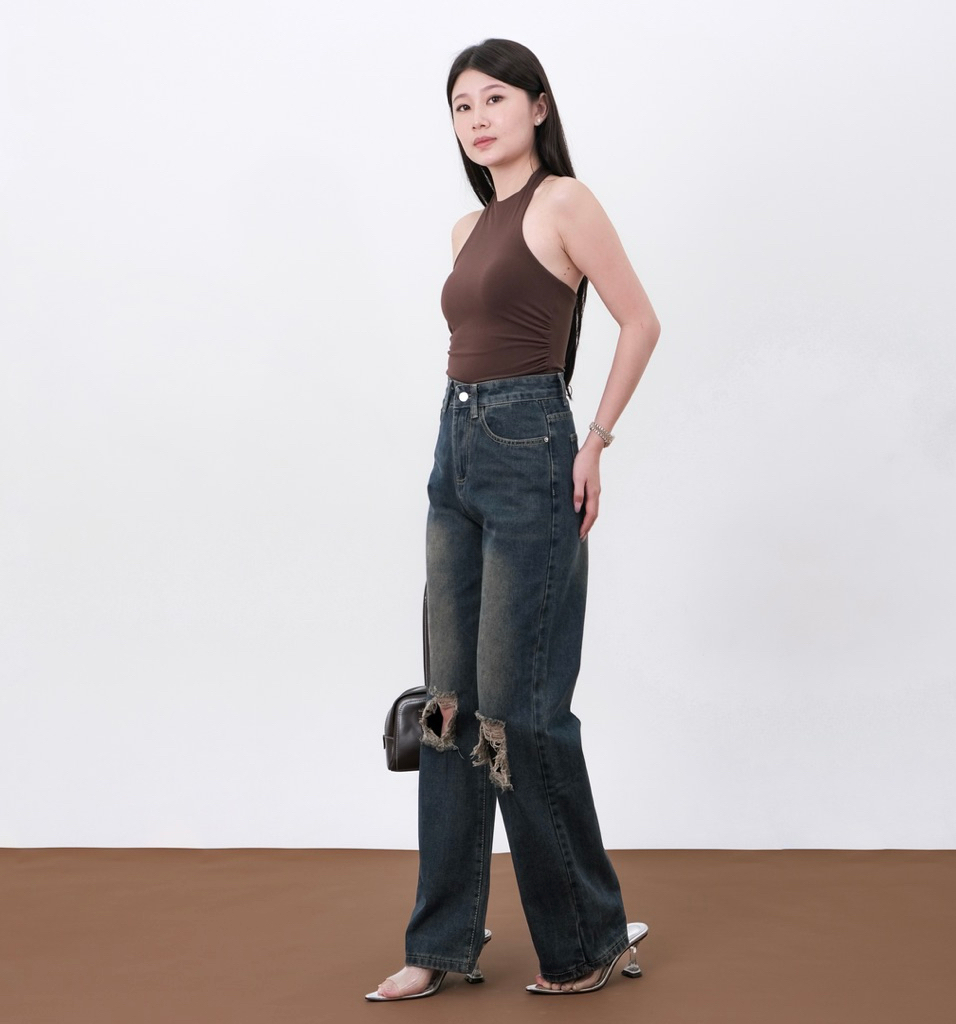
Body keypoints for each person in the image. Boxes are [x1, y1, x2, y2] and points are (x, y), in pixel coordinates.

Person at [366, 38, 660, 1001]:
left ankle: (587, 937)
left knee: (518, 713)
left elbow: (640, 320)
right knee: (447, 708)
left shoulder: (564, 201)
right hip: (455, 450)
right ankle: (440, 941)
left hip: (533, 445)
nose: (478, 118)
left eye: (495, 98)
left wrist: (595, 442)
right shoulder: (467, 228)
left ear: (538, 106)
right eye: (461, 106)